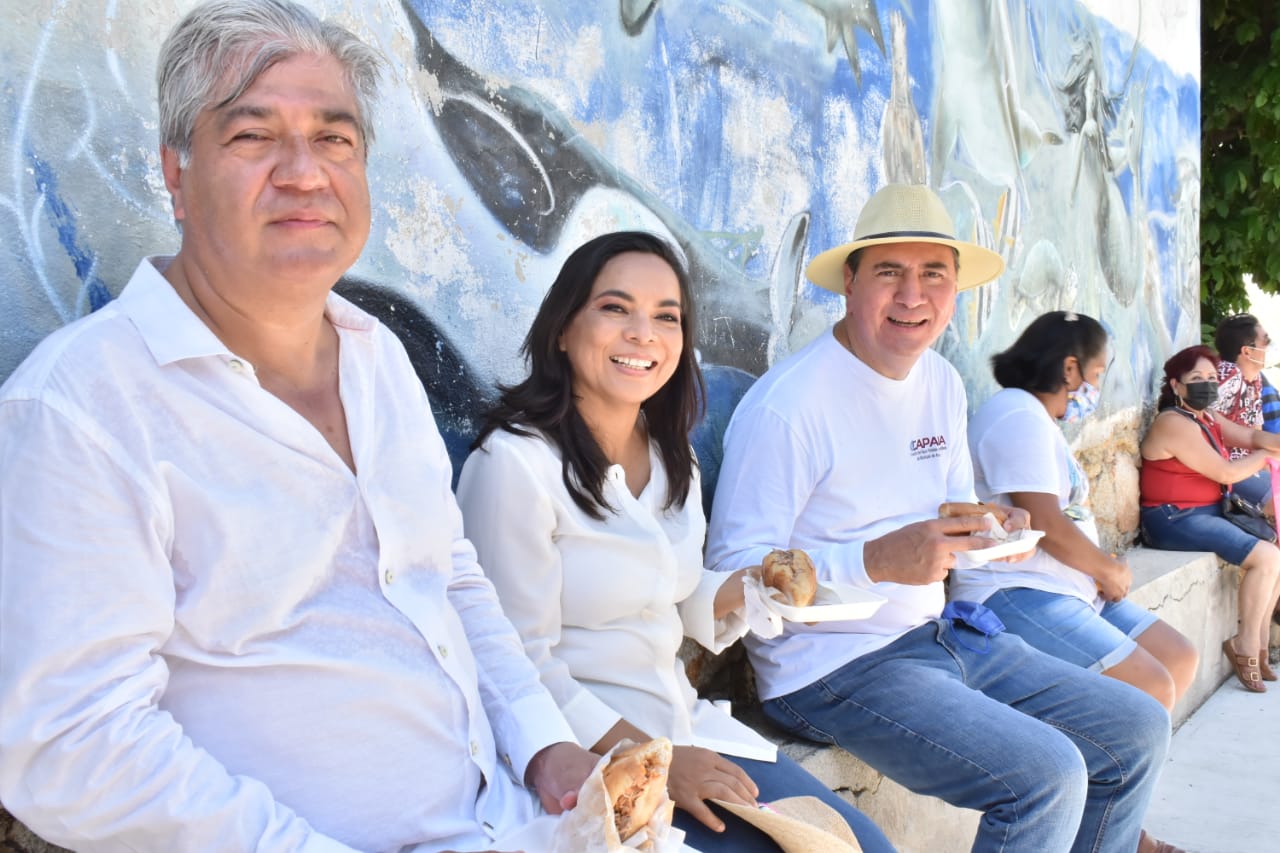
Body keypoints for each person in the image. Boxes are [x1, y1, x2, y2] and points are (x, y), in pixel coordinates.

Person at [0, 2, 597, 851]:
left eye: (335, 138)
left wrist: (545, 743)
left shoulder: (378, 355)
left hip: (506, 820)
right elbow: (68, 741)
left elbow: (446, 575)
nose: (304, 172)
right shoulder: (80, 408)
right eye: (252, 136)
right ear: (175, 172)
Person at [706, 183, 1172, 853]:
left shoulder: (942, 383)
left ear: (956, 290)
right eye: (889, 272)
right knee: (1048, 775)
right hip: (831, 669)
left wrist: (992, 531)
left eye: (934, 275)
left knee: (1136, 727)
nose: (912, 296)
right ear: (849, 280)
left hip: (942, 632)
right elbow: (728, 580)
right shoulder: (789, 406)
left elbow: (951, 515)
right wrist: (872, 562)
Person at [455, 231, 895, 853]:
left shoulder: (672, 455)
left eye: (667, 316)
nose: (644, 333)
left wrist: (753, 590)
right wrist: (656, 760)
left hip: (687, 727)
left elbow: (672, 595)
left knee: (862, 847)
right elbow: (515, 665)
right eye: (615, 308)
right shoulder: (513, 466)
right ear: (562, 326)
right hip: (587, 761)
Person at [954, 310, 1198, 713]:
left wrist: (1098, 569)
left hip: (1068, 590)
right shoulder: (1017, 415)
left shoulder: (1036, 418)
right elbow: (1046, 521)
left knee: (1177, 657)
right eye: (1097, 374)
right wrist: (1107, 569)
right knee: (1151, 686)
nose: (1097, 387)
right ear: (1070, 369)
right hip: (1017, 591)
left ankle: (1121, 761)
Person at [1139, 344, 1280, 693]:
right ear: (1176, 385)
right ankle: (1244, 645)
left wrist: (1271, 442)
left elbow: (1248, 435)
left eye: (1213, 378)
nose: (1207, 384)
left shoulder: (1206, 418)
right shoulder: (1173, 422)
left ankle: (1260, 644)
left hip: (1206, 512)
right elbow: (1226, 472)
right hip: (1173, 518)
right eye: (1197, 378)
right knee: (1267, 557)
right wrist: (1264, 456)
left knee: (1274, 547)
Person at [1211, 313, 1275, 508]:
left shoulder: (1254, 379)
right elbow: (1203, 425)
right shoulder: (1226, 375)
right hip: (1222, 469)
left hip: (1249, 466)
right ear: (1247, 352)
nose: (1269, 347)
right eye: (1266, 341)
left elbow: (1257, 433)